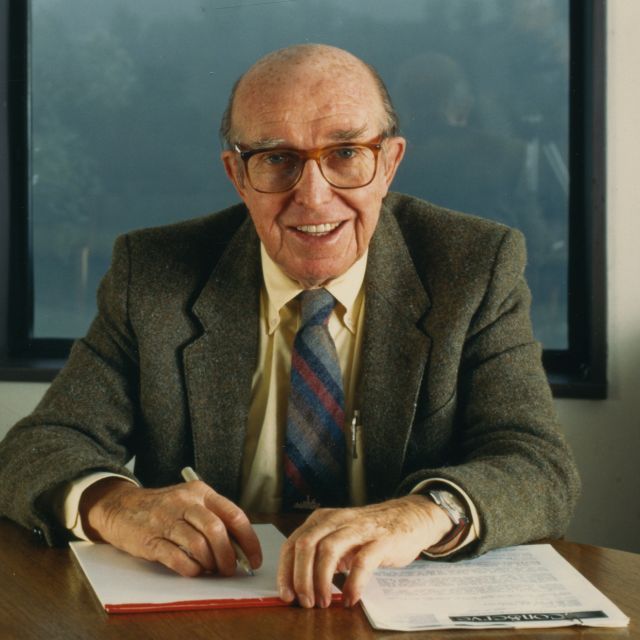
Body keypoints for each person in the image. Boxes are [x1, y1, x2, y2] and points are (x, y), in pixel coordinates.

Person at [0, 44, 580, 610]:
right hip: (210, 615)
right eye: (277, 159)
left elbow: (537, 465)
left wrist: (423, 513)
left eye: (346, 153)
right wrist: (115, 504)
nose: (313, 196)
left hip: (393, 608)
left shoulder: (474, 265)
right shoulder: (155, 273)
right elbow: (39, 446)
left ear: (389, 163)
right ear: (237, 174)